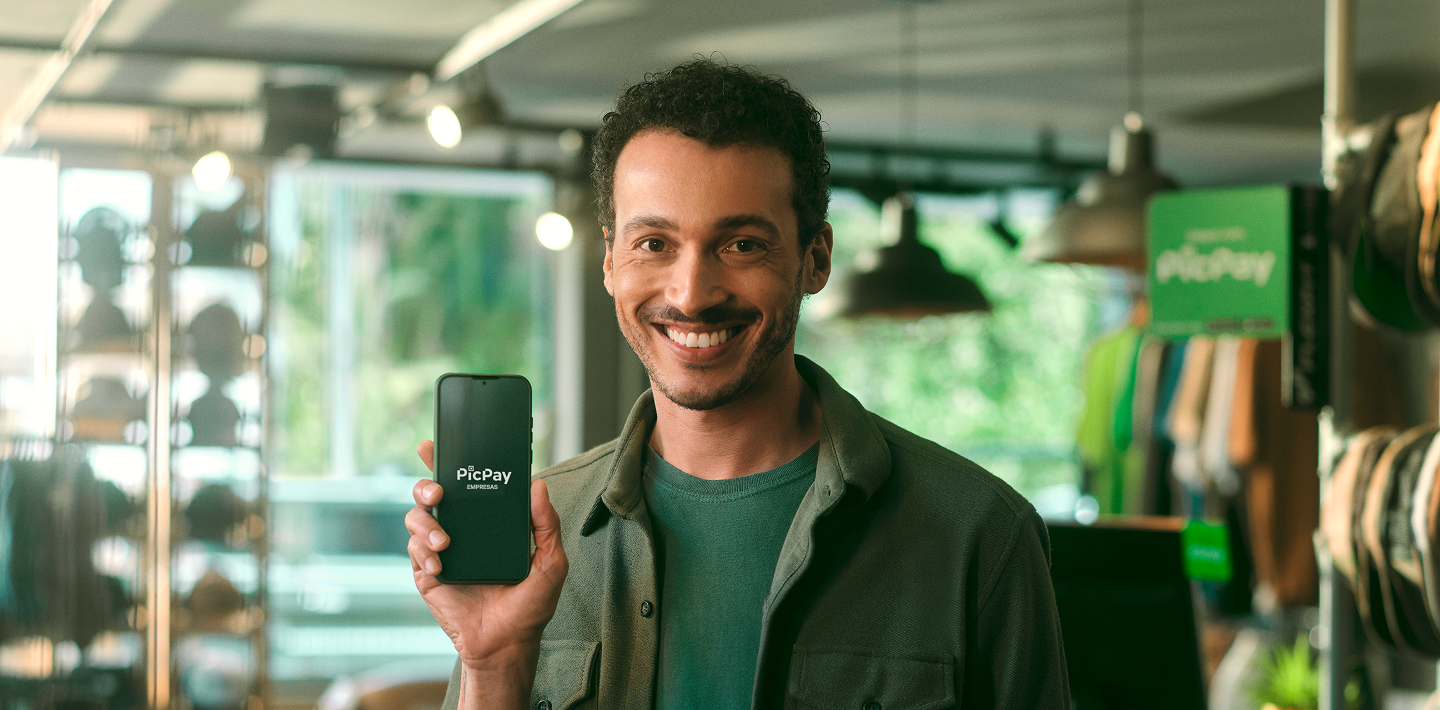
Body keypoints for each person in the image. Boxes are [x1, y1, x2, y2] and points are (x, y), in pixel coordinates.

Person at [405, 57, 1070, 709]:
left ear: (816, 259)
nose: (692, 294)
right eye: (654, 243)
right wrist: (493, 667)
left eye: (743, 244)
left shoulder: (980, 534)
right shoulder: (540, 532)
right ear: (609, 260)